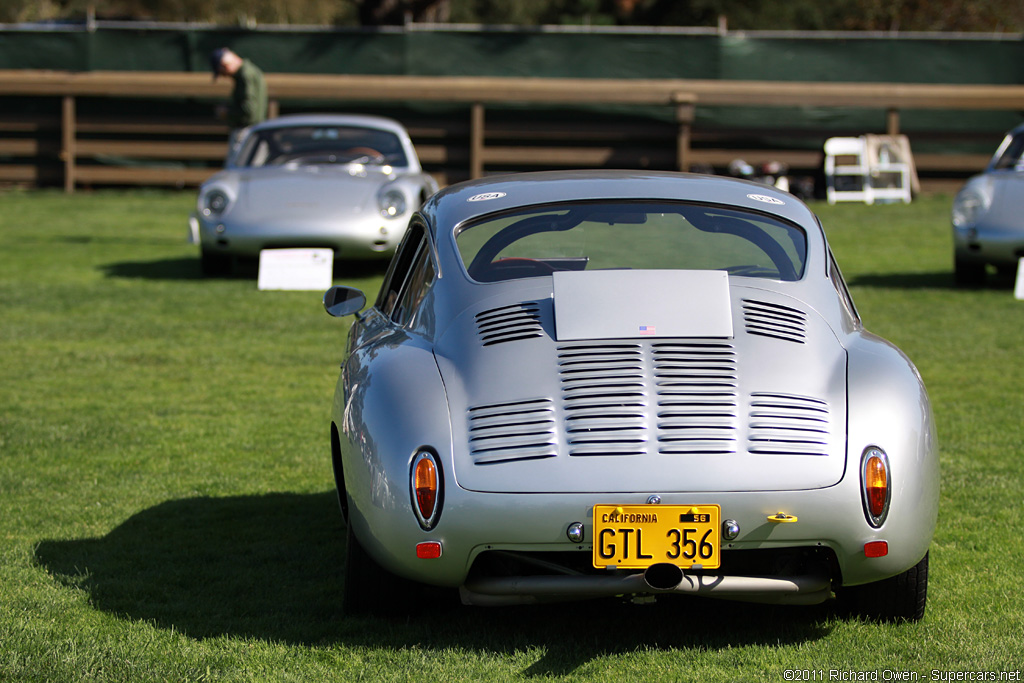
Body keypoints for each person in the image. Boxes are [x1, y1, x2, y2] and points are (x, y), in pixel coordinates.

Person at [209, 47, 268, 147]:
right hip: (253, 131)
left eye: (222, 73)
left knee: (239, 162)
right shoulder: (248, 71)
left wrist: (227, 113)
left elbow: (249, 110)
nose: (225, 76)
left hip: (247, 132)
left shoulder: (245, 75)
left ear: (225, 66)